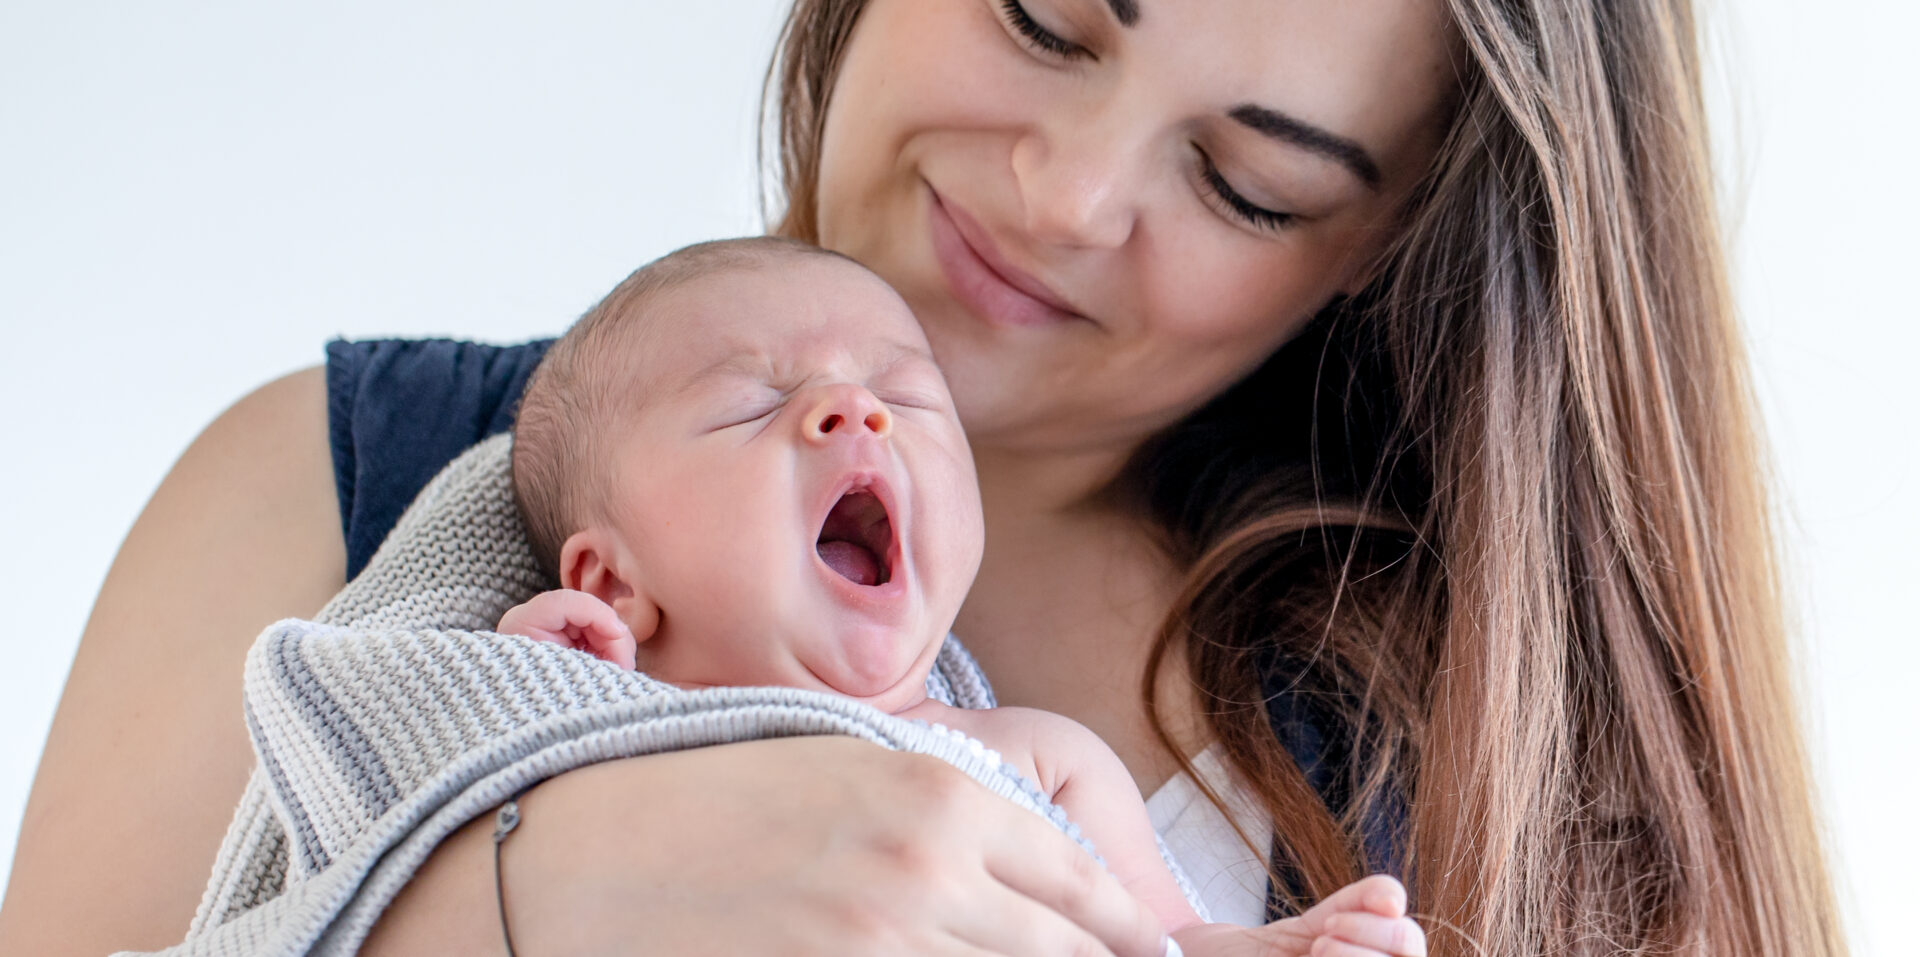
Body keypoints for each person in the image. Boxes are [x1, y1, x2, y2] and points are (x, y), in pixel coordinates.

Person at [0, 0, 1844, 955]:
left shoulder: (1508, 741)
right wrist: (535, 900)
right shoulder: (331, 499)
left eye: (1248, 183)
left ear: (1383, 241)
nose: (1067, 194)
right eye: (1043, 15)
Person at [493, 235, 1428, 956]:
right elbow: (459, 802)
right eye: (753, 403)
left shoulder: (1039, 762)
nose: (857, 409)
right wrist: (539, 677)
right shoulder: (611, 729)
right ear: (611, 581)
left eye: (905, 394)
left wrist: (1271, 946)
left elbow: (1163, 938)